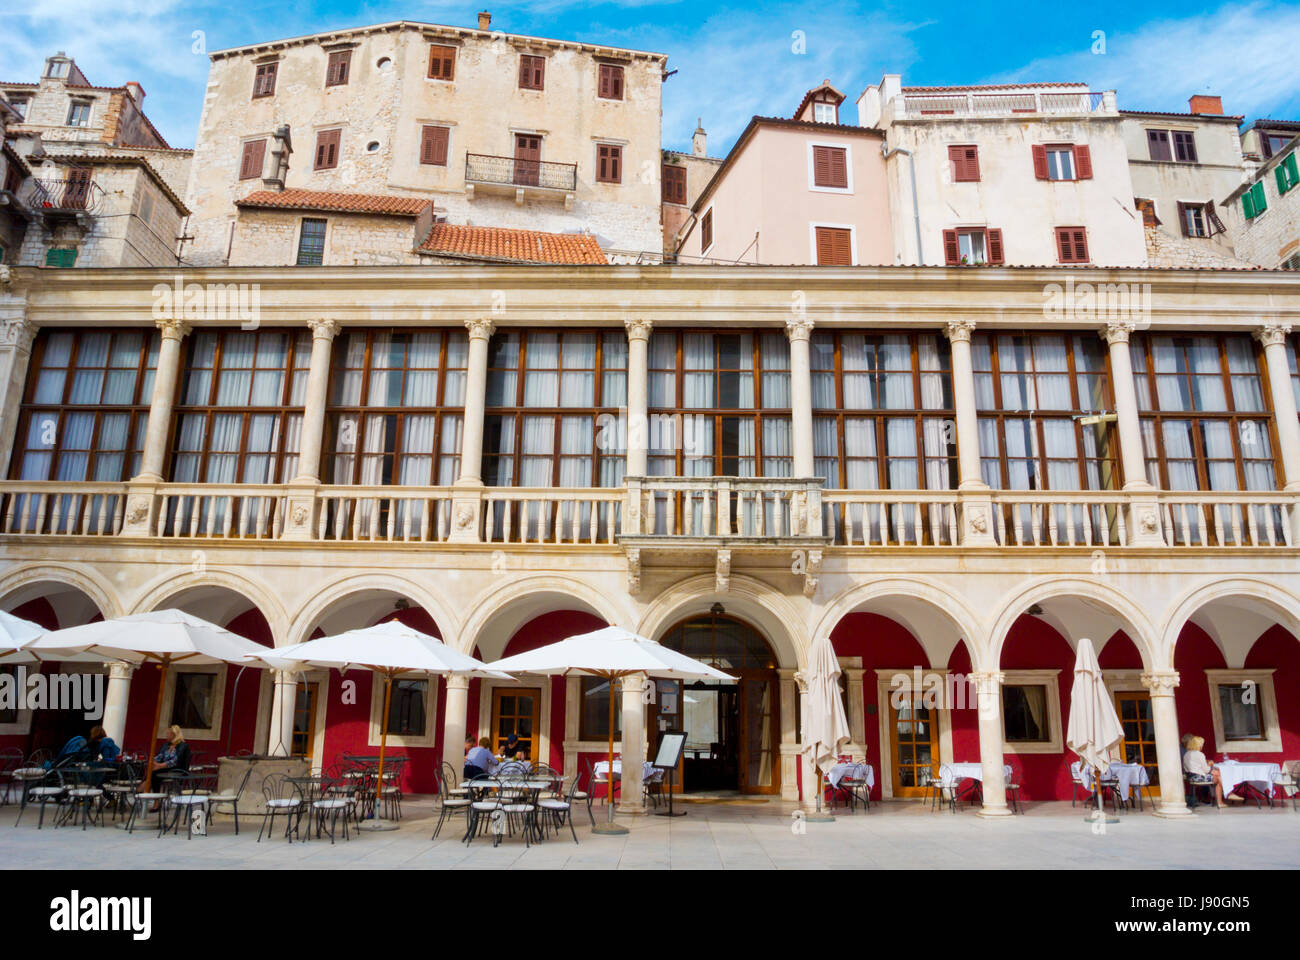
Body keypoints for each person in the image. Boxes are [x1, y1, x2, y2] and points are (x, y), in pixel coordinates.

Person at [1182, 735, 1227, 808]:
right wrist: (1211, 766)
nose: (1202, 746)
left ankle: (1224, 797)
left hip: (1190, 776)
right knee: (1218, 776)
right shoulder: (1200, 754)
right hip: (1198, 777)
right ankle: (1225, 796)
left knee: (1217, 775)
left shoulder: (1187, 754)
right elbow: (1206, 770)